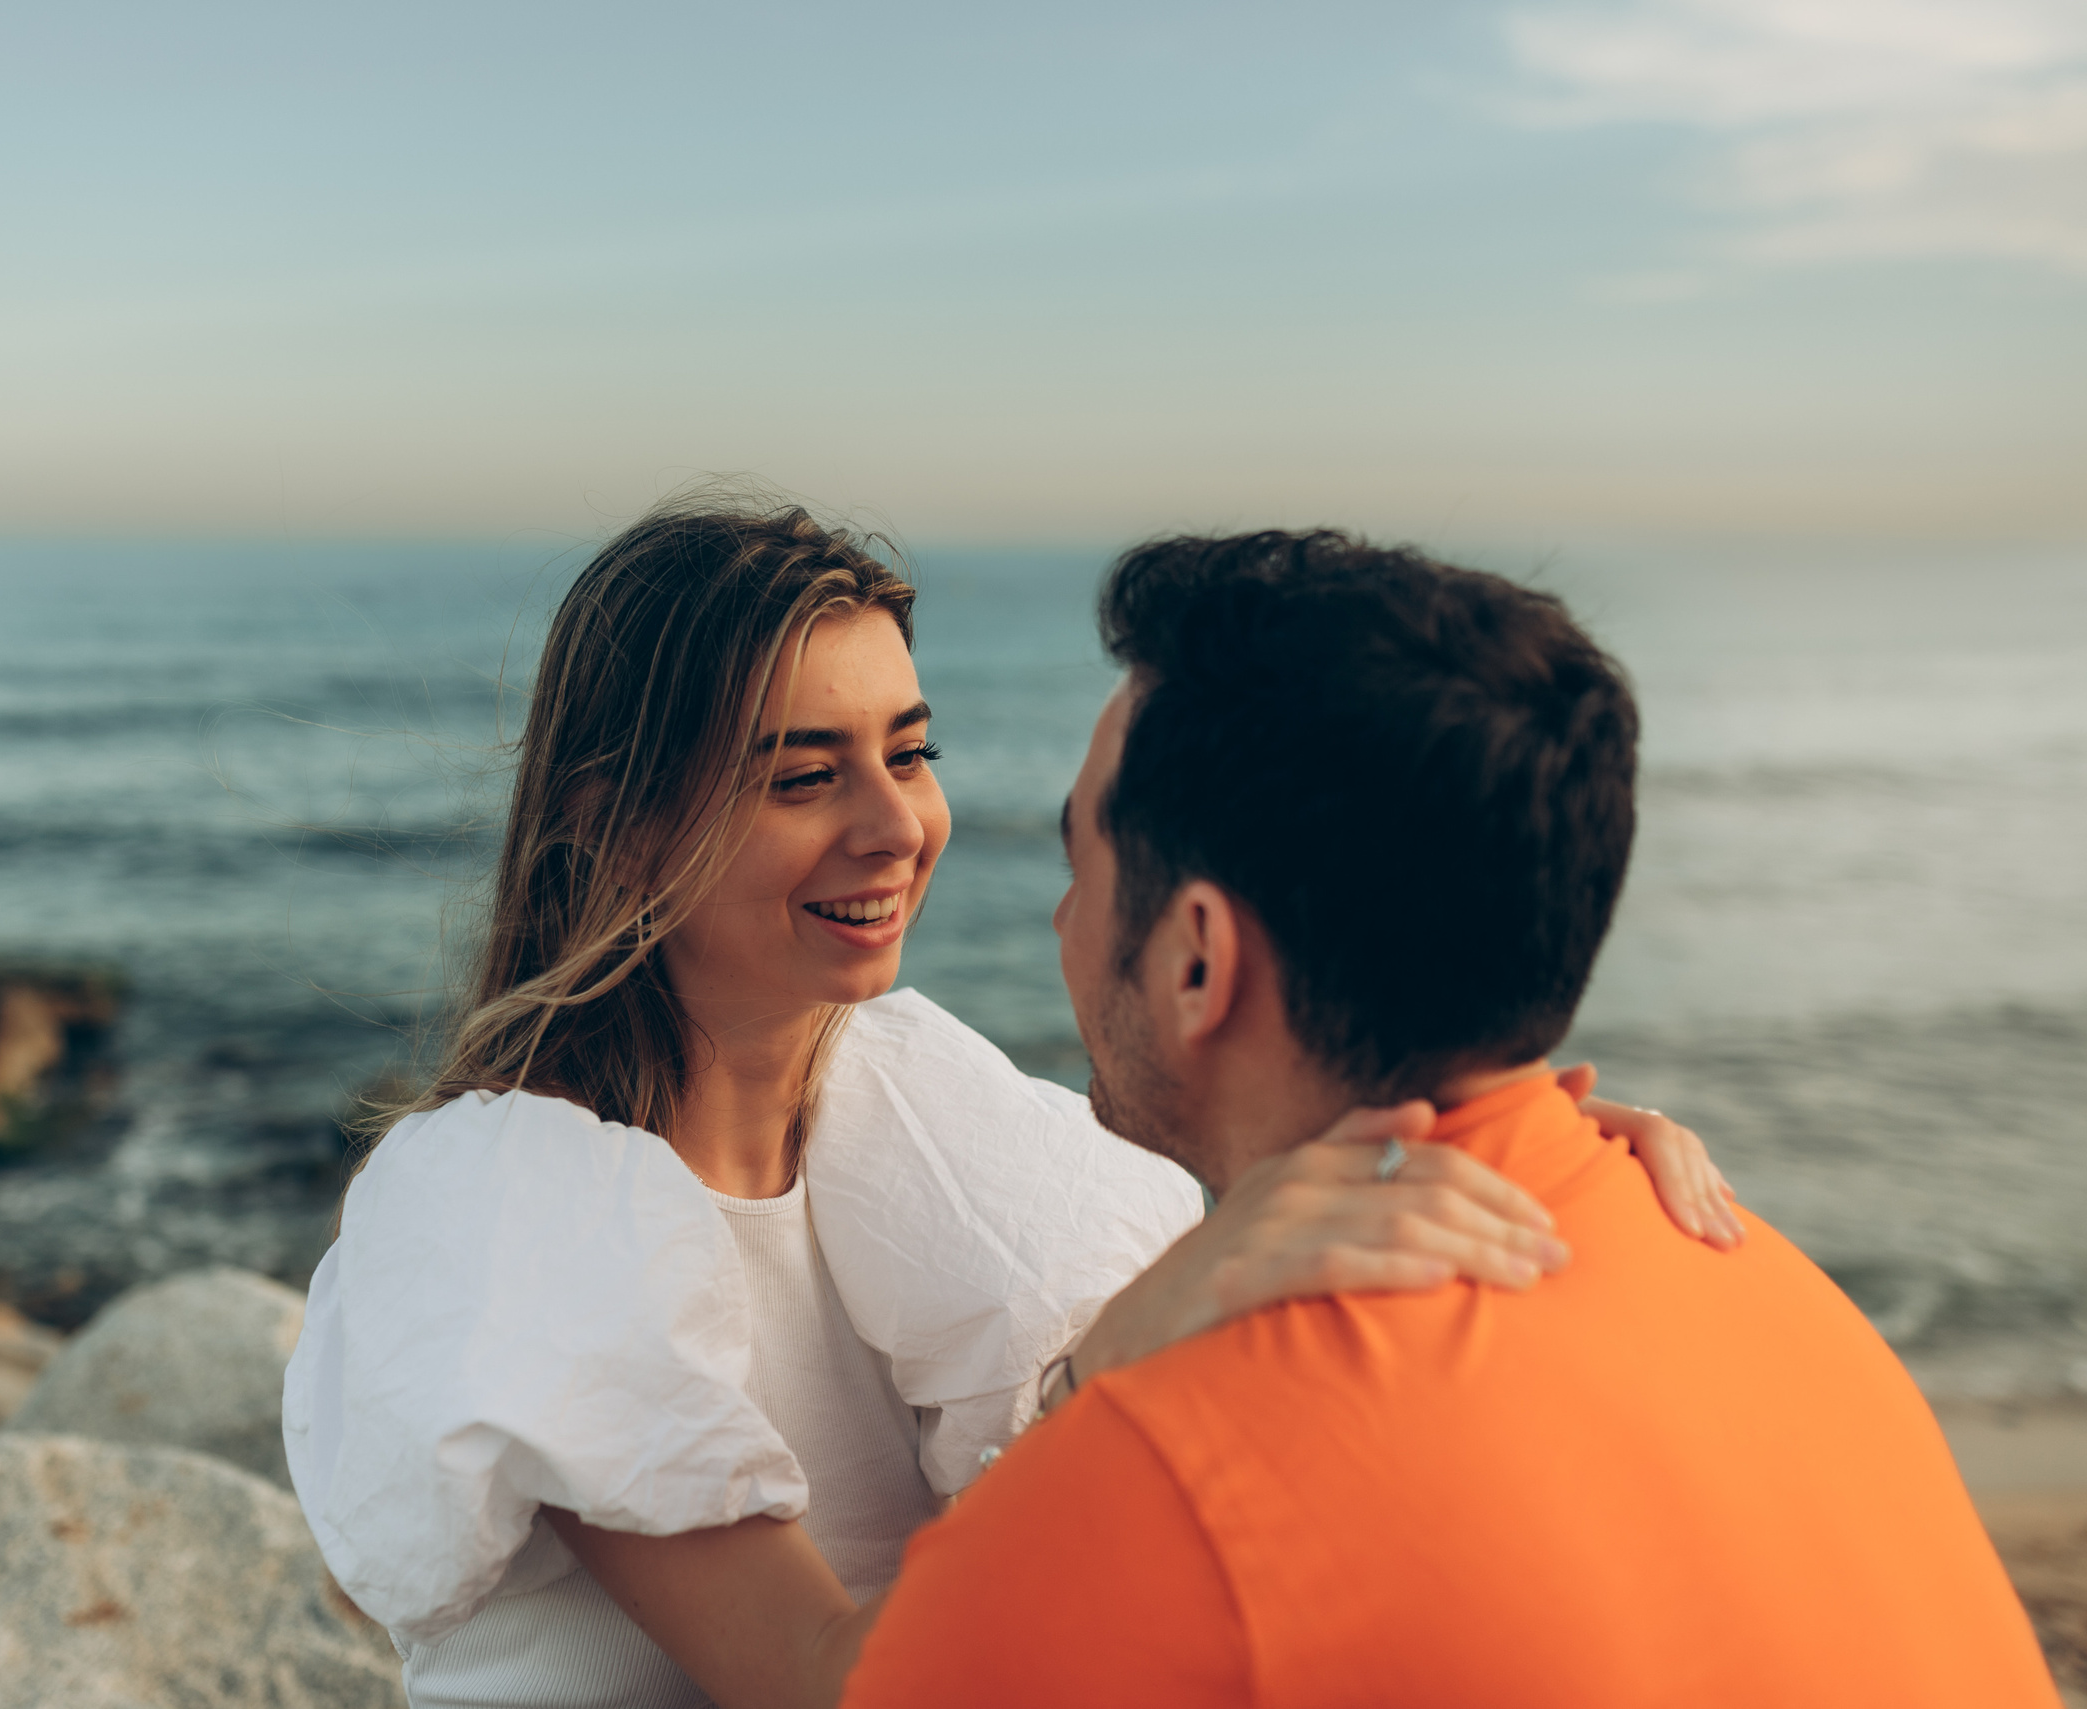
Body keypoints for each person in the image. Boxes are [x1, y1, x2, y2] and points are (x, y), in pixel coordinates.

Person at [284, 500, 1735, 1709]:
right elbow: (836, 1680)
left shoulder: (908, 1094)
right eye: (806, 775)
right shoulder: (512, 1211)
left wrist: (1503, 1157)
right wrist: (1140, 1341)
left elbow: (1191, 1373)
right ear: (608, 814)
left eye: (909, 751)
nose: (896, 825)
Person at [842, 530, 2059, 1707]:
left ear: (1198, 959)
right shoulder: (1759, 1273)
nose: (1058, 924)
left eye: (1079, 870)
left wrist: (1088, 1392)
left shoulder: (1150, 1495)